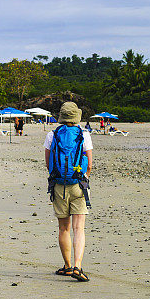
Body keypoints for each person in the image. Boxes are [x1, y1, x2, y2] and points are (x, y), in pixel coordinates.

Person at [44, 102, 93, 282]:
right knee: (78, 228)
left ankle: (66, 265)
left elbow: (49, 164)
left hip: (58, 186)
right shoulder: (84, 134)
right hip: (79, 185)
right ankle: (77, 267)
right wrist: (84, 177)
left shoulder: (52, 134)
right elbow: (90, 163)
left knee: (63, 228)